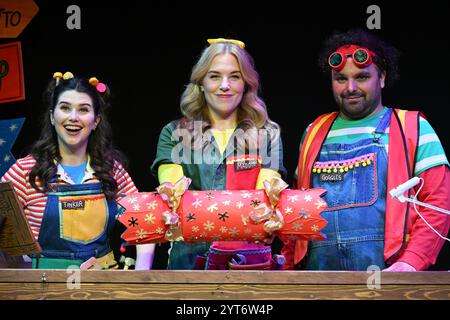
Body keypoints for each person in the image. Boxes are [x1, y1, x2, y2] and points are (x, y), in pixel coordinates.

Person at [282, 29, 450, 271]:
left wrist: (411, 263)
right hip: (318, 279)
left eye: (361, 77)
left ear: (381, 78)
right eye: (340, 79)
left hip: (388, 277)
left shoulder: (413, 127)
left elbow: (438, 203)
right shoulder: (313, 132)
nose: (350, 87)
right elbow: (296, 212)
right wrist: (288, 268)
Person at [136, 38, 286, 270]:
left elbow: (263, 205)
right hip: (187, 263)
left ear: (246, 84)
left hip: (247, 263)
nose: (224, 85)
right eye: (214, 76)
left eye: (234, 76)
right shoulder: (174, 134)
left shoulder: (268, 135)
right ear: (202, 83)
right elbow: (175, 199)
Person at [1, 71, 155, 269]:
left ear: (96, 121)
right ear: (52, 117)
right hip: (44, 288)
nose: (73, 117)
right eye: (65, 108)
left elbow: (146, 222)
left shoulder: (112, 171)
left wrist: (141, 278)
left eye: (83, 110)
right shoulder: (26, 171)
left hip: (102, 288)